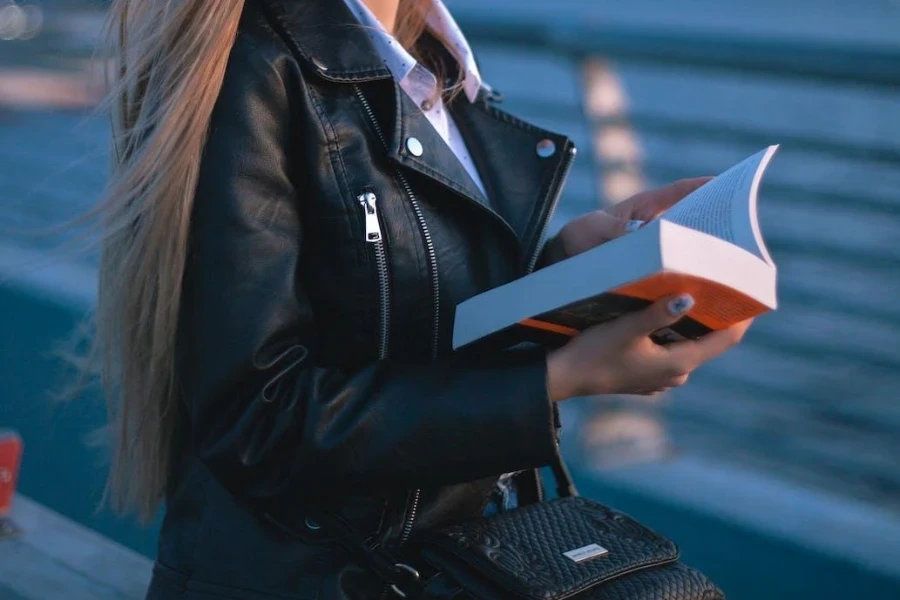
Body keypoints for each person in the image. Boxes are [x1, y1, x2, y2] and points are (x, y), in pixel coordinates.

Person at [88, 0, 751, 598]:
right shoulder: (255, 67)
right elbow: (261, 424)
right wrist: (558, 379)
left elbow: (398, 318)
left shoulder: (428, 64)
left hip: (449, 564)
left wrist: (565, 268)